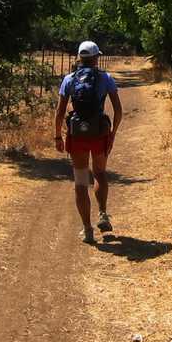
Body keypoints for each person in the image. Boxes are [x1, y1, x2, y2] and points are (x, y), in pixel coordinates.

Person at [55, 41, 122, 244]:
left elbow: (59, 112)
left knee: (81, 181)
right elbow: (118, 110)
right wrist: (112, 133)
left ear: (78, 58)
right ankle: (102, 213)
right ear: (96, 58)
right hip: (99, 133)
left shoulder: (69, 79)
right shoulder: (105, 78)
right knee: (100, 173)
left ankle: (87, 229)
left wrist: (58, 135)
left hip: (77, 135)